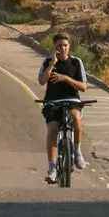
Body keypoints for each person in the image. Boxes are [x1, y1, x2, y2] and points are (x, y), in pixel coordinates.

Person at [38, 32, 89, 183]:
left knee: (76, 119)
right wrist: (52, 64)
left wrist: (65, 78)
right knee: (53, 129)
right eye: (59, 46)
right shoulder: (47, 61)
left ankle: (77, 151)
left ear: (69, 46)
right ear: (54, 47)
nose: (62, 48)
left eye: (65, 45)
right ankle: (52, 167)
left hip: (72, 99)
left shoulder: (76, 62)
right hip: (52, 102)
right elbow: (41, 81)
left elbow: (83, 87)